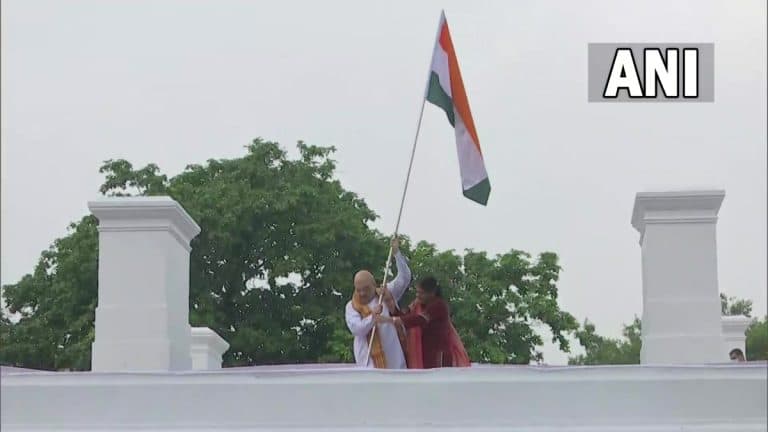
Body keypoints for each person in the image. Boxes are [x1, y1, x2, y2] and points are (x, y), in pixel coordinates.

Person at [345, 237, 411, 369]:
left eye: (366, 289)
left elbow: (404, 277)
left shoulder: (385, 293)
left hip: (396, 363)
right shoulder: (352, 306)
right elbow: (357, 330)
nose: (362, 293)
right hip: (370, 366)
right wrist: (372, 317)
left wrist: (396, 253)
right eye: (359, 290)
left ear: (373, 284)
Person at [378, 276, 470, 369]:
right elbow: (405, 316)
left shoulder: (439, 305)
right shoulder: (418, 305)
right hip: (423, 354)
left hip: (439, 356)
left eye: (421, 293)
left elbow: (419, 319)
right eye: (417, 292)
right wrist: (389, 300)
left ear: (432, 293)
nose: (418, 295)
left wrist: (390, 320)